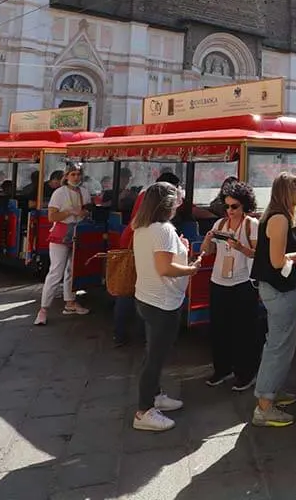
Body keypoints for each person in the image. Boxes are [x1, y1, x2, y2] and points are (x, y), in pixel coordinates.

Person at [131, 181, 202, 432]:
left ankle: (155, 395)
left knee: (154, 353)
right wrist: (192, 269)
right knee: (155, 357)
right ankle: (144, 411)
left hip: (148, 298)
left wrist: (179, 249)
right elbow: (165, 268)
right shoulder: (163, 230)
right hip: (162, 301)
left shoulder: (142, 227)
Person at [250, 172, 296, 428]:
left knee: (279, 345)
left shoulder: (273, 216)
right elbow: (278, 261)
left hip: (274, 289)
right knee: (278, 346)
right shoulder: (280, 220)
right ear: (288, 191)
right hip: (279, 290)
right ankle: (264, 405)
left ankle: (272, 391)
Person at [201, 180, 263, 390]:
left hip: (242, 282)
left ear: (245, 205)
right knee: (219, 328)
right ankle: (222, 369)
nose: (230, 211)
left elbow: (258, 253)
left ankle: (246, 372)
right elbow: (207, 252)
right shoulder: (219, 224)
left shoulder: (251, 224)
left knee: (244, 330)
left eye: (234, 206)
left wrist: (239, 247)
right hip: (219, 282)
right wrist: (209, 239)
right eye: (226, 206)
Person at [114, 171, 182, 347]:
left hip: (132, 239)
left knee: (132, 289)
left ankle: (124, 333)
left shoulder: (146, 193)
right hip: (136, 245)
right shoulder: (154, 201)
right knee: (130, 289)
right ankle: (132, 334)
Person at [35, 164, 91, 325]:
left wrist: (84, 212)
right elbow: (52, 217)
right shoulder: (59, 193)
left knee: (72, 270)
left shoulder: (84, 192)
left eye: (78, 174)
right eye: (73, 174)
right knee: (56, 272)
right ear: (66, 176)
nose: (76, 177)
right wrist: (70, 212)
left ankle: (70, 302)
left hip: (77, 233)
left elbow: (87, 210)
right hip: (61, 233)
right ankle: (43, 309)